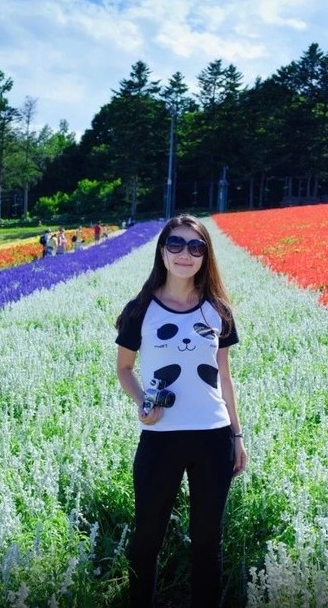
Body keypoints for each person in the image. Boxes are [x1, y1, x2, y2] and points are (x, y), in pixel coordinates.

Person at [114, 215, 247, 607]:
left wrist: (237, 437)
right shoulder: (140, 309)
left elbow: (225, 376)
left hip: (213, 436)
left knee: (208, 543)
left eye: (196, 247)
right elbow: (124, 368)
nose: (185, 254)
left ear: (206, 256)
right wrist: (143, 403)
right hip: (160, 439)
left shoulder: (218, 310)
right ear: (162, 251)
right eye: (176, 244)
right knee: (146, 540)